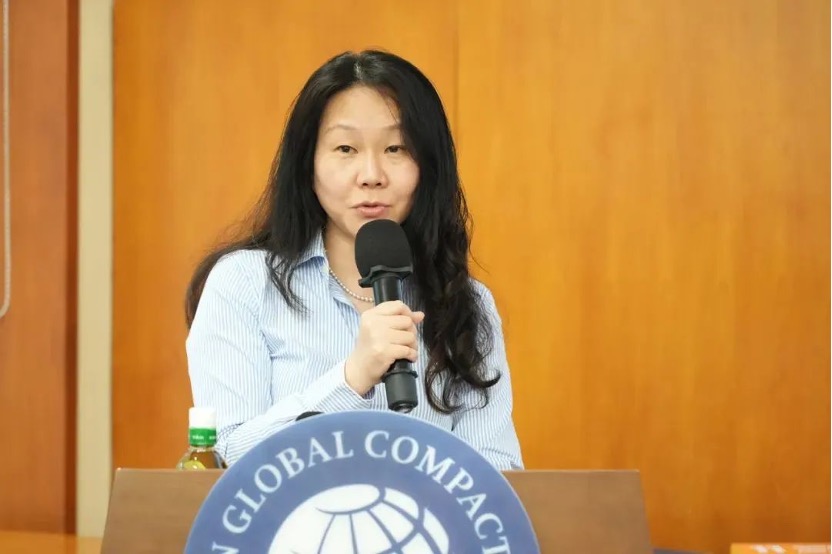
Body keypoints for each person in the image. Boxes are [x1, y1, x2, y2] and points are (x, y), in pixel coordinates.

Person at [184, 50, 523, 470]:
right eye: (345, 148)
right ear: (308, 163)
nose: (371, 175)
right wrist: (351, 379)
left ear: (428, 166)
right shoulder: (244, 284)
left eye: (396, 148)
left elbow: (496, 473)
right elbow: (225, 459)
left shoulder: (465, 302)